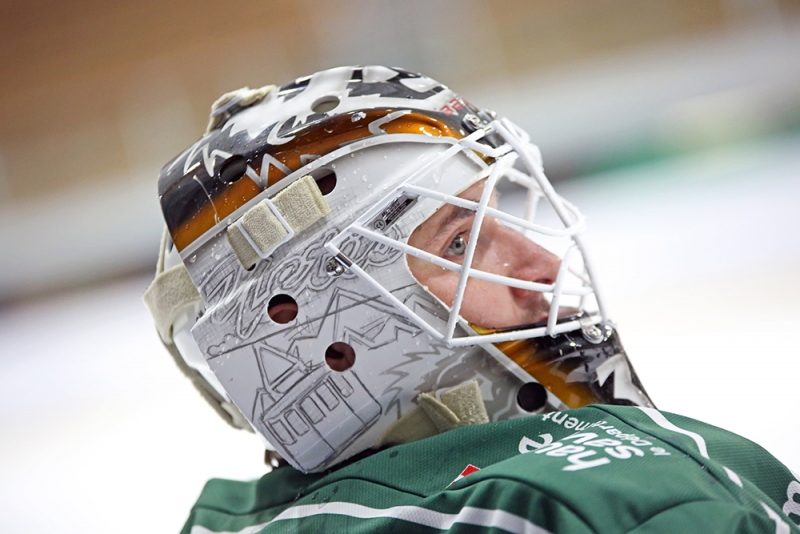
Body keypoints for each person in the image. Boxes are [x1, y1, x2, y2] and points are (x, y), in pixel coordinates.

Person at [144, 66, 800, 533]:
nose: (541, 265)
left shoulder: (223, 522)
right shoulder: (625, 498)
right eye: (460, 244)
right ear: (305, 331)